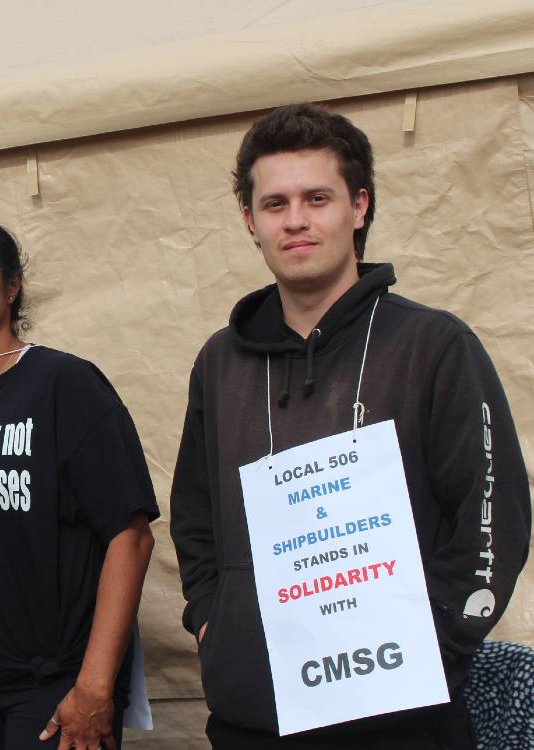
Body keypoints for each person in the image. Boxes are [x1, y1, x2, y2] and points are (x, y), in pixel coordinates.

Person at [170, 103, 531, 748]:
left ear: (358, 207)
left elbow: (489, 511)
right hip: (255, 716)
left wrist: (433, 644)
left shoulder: (432, 344)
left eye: (317, 198)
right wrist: (212, 619)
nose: (297, 220)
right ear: (251, 222)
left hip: (401, 716)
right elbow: (194, 513)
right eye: (275, 204)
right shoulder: (219, 362)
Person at [0, 215, 158, 750]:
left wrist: (94, 687)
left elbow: (131, 536)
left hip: (54, 683)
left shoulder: (64, 384)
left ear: (13, 283)